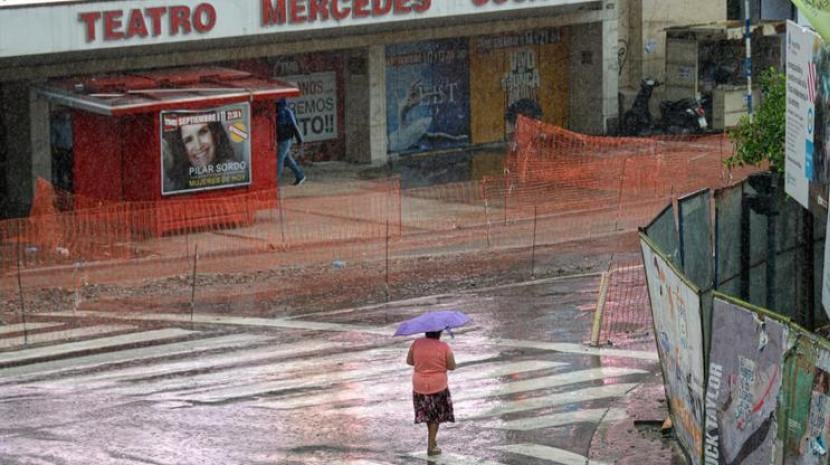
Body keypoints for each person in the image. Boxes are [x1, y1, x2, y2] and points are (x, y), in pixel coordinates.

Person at [406, 330, 456, 456]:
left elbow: (409, 361)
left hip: (419, 385)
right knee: (435, 416)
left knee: (429, 415)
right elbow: (452, 366)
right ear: (439, 333)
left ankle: (432, 441)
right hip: (437, 385)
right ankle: (431, 445)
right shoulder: (444, 346)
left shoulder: (416, 344)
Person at [164, 121, 235, 192]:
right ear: (181, 148)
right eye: (188, 140)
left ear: (215, 134)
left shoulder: (233, 173)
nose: (198, 146)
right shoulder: (175, 186)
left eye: (202, 132)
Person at [276, 98, 306, 186]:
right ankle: (300, 175)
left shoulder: (287, 112)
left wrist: (300, 140)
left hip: (286, 139)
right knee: (287, 159)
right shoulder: (276, 111)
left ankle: (275, 180)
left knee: (279, 159)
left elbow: (295, 126)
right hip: (281, 139)